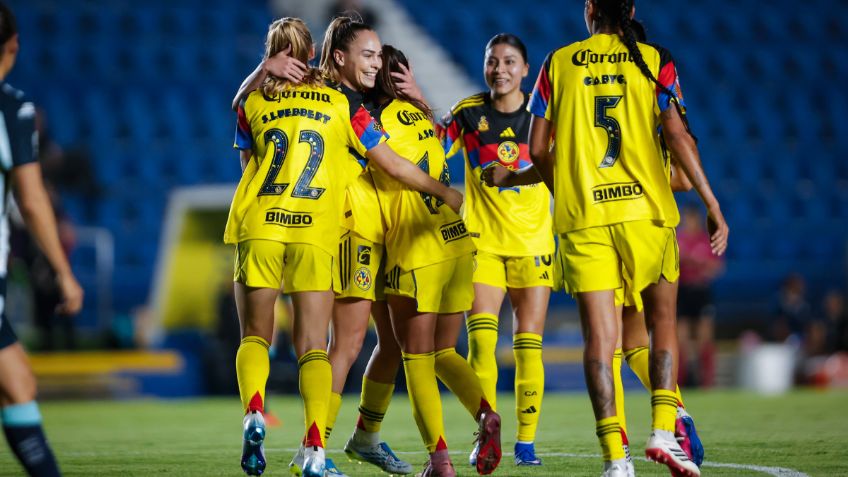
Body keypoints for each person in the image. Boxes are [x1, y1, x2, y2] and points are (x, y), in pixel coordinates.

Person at [487, 0, 728, 475]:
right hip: (645, 217)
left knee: (602, 342)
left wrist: (570, 194)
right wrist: (712, 203)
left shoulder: (558, 63)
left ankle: (616, 459)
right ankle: (664, 428)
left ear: (590, 9)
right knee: (661, 327)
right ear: (631, 8)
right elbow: (678, 137)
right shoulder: (655, 60)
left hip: (586, 222)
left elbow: (537, 149)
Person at [225, 17, 460, 477]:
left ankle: (255, 411)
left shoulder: (252, 101)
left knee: (255, 336)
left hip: (261, 224)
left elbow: (245, 158)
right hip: (322, 230)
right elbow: (392, 162)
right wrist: (446, 192)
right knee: (318, 347)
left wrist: (262, 72)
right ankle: (314, 448)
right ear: (315, 55)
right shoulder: (339, 103)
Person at [364, 44, 501, 477]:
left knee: (416, 356)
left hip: (415, 246)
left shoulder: (369, 123)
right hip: (456, 242)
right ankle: (484, 413)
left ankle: (439, 457)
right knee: (444, 350)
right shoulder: (422, 118)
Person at [439, 33, 552, 467]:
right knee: (481, 347)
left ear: (525, 70)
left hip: (534, 244)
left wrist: (515, 175)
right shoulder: (467, 114)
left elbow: (556, 163)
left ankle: (526, 442)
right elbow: (429, 145)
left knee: (528, 345)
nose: (499, 70)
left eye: (509, 62)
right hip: (483, 244)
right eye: (492, 62)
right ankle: (486, 431)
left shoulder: (544, 115)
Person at [0, 3, 85, 476]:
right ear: (12, 46)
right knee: (18, 386)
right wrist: (65, 273)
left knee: (18, 384)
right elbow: (32, 201)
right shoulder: (11, 107)